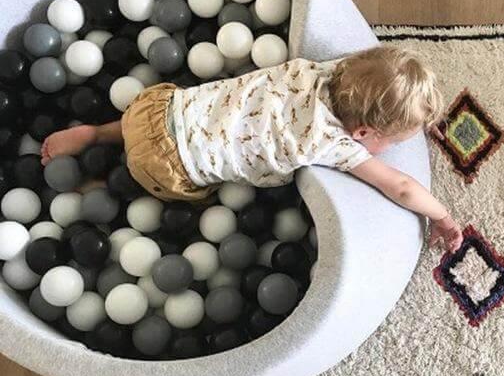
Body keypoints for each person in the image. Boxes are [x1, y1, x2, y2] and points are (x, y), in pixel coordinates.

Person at [41, 44, 464, 253]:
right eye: (393, 142)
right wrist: (443, 218)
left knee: (141, 130)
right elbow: (401, 187)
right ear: (363, 133)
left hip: (155, 110)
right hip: (171, 165)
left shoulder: (320, 70)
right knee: (155, 193)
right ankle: (93, 189)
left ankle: (97, 135)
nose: (393, 149)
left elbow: (375, 73)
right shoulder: (334, 142)